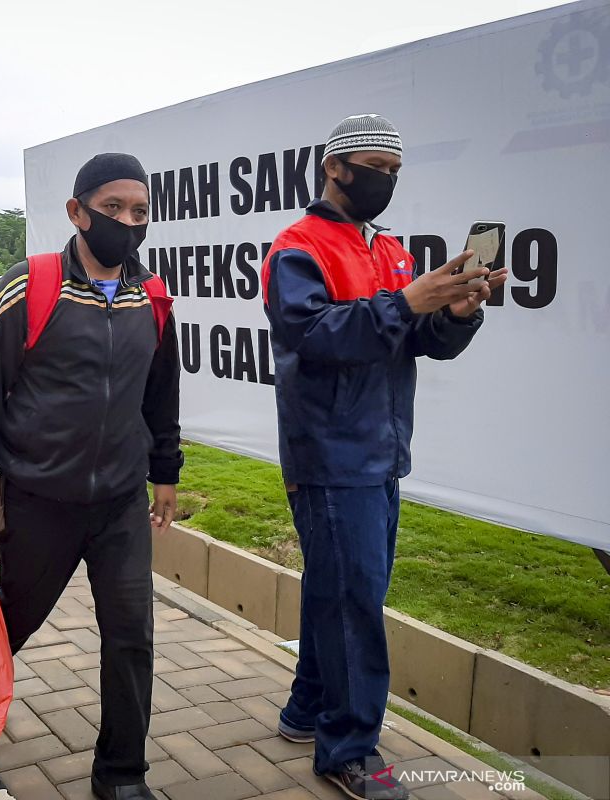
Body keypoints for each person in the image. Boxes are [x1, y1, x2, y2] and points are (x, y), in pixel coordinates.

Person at [260, 115, 507, 800]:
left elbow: (416, 339)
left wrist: (455, 311)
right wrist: (405, 302)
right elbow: (313, 335)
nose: (386, 181)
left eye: (396, 171)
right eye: (375, 167)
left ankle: (308, 712)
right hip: (329, 453)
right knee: (353, 605)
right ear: (334, 167)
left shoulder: (390, 249)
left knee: (337, 592)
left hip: (380, 449)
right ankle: (350, 750)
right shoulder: (296, 249)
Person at [0, 154, 182, 800]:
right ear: (77, 212)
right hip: (38, 500)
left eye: (139, 213)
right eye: (113, 210)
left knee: (131, 635)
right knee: (8, 623)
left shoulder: (151, 297)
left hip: (121, 506)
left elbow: (161, 397)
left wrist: (166, 473)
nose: (127, 224)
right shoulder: (30, 285)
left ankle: (122, 777)